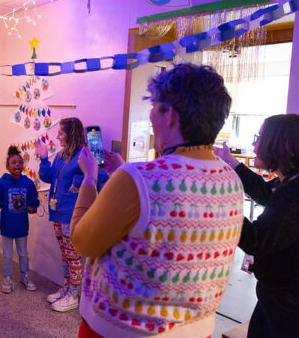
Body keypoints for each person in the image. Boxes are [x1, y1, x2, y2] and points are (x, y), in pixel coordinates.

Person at [71, 63, 245, 338]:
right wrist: (123, 177)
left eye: (154, 105)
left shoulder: (136, 178)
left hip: (120, 331)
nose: (151, 114)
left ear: (171, 115)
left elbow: (82, 241)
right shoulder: (231, 180)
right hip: (198, 330)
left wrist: (90, 178)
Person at [215, 114, 299, 337]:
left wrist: (217, 203)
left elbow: (256, 239)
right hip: (274, 293)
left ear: (278, 143)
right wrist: (232, 164)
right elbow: (265, 193)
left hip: (287, 301)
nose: (254, 143)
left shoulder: (295, 192)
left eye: (260, 136)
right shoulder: (290, 180)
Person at [35, 117, 85, 312]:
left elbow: (94, 175)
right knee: (65, 255)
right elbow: (46, 177)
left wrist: (79, 182)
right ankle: (66, 288)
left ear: (71, 134)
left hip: (70, 215)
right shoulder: (61, 156)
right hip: (56, 212)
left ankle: (74, 294)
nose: (57, 136)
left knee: (73, 257)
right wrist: (44, 157)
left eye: (61, 132)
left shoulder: (83, 156)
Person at [0, 146, 40, 293]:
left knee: (23, 253)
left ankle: (25, 276)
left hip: (22, 227)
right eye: (14, 162)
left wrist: (33, 205)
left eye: (20, 162)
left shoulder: (28, 182)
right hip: (6, 226)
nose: (17, 165)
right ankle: (7, 278)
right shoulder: (3, 182)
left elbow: (33, 200)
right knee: (7, 254)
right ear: (8, 166)